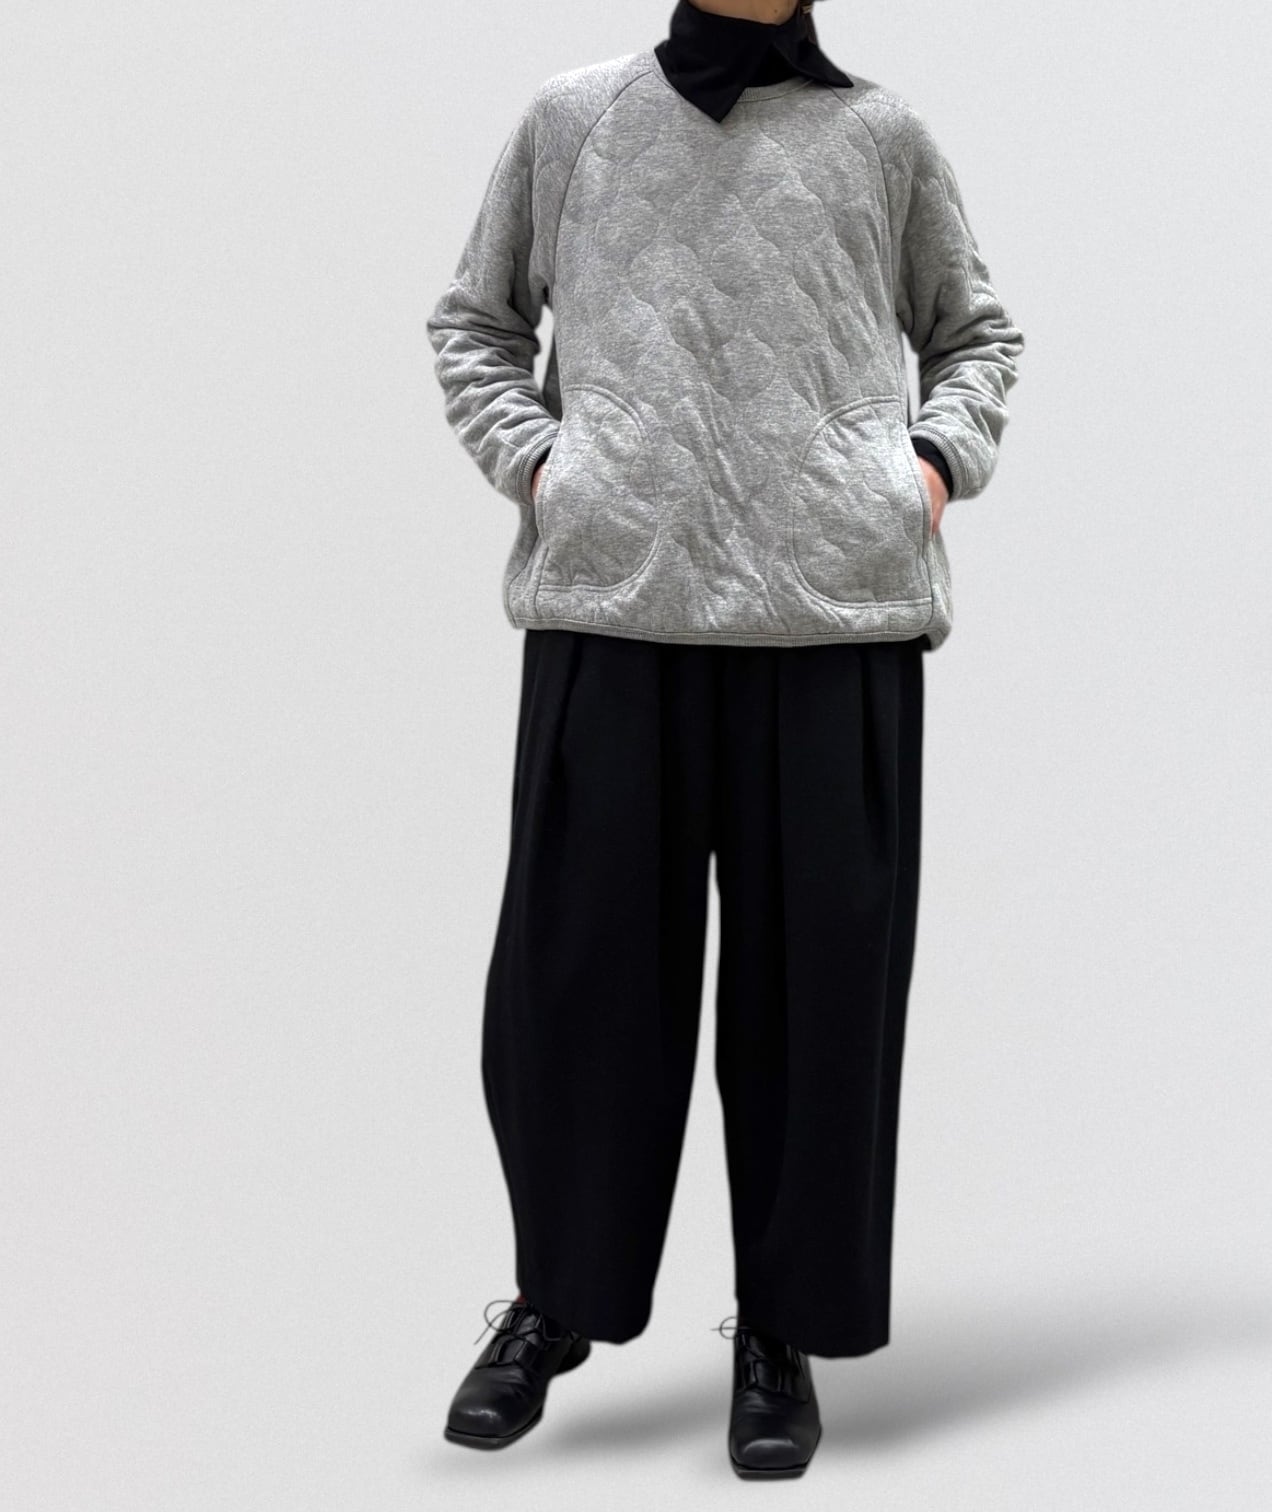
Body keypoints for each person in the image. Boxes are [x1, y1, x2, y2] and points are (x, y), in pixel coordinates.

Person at [424, 0, 1024, 1478]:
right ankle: (558, 1302)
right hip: (614, 614)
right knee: (575, 990)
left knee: (820, 1004)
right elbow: (474, 324)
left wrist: (924, 473)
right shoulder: (573, 120)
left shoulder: (881, 136)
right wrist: (546, 470)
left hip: (832, 628)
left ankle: (783, 1331)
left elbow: (977, 336)